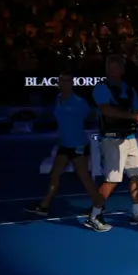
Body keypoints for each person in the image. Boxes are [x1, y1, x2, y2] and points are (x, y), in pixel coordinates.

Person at [25, 71, 110, 232]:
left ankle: (99, 206)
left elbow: (93, 114)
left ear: (71, 83)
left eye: (66, 80)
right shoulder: (58, 99)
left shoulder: (79, 102)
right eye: (60, 80)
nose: (62, 83)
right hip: (64, 145)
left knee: (84, 178)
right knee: (54, 175)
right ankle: (44, 206)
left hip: (78, 146)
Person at [89, 54, 138, 226]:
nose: (113, 70)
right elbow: (106, 109)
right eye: (110, 66)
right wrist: (131, 115)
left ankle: (136, 214)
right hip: (112, 140)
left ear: (122, 70)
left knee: (137, 175)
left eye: (117, 66)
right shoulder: (101, 88)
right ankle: (94, 216)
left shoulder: (129, 89)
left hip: (130, 139)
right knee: (112, 180)